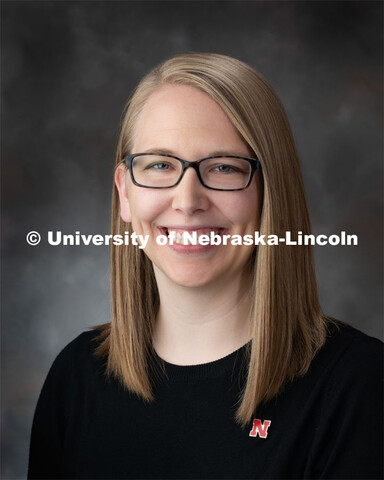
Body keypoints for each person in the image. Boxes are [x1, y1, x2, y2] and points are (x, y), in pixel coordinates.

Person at [28, 53, 383, 479]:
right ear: (124, 192)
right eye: (160, 165)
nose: (187, 199)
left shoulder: (360, 386)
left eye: (224, 167)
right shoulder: (76, 379)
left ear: (273, 192)